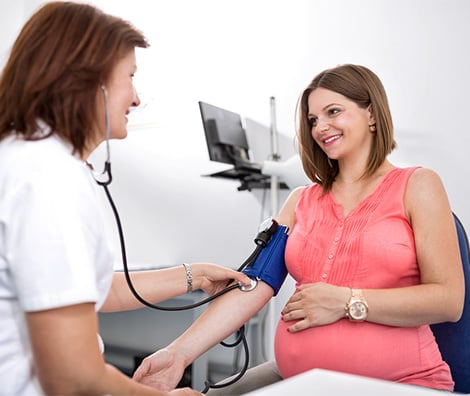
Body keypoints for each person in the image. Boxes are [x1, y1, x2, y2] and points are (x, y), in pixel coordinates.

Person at [132, 64, 465, 394]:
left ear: (372, 114)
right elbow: (254, 285)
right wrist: (178, 354)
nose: (321, 127)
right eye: (313, 119)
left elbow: (448, 300)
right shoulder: (300, 201)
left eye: (334, 111)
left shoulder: (418, 185)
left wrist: (348, 302)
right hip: (298, 380)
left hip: (399, 384)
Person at [0, 2, 251, 396]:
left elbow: (96, 289)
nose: (135, 98)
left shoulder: (27, 159)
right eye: (130, 77)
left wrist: (196, 274)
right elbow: (72, 377)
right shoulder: (48, 179)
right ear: (87, 83)